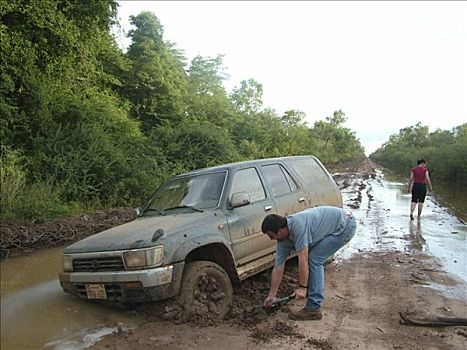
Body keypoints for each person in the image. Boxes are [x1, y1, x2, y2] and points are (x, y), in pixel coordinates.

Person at [261, 206, 357, 321]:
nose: (272, 239)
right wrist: (272, 295)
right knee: (313, 257)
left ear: (281, 230)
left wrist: (302, 287)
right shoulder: (282, 241)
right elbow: (278, 267)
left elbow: (303, 259)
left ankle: (313, 308)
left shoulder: (298, 226)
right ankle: (312, 293)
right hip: (336, 224)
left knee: (314, 259)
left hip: (345, 225)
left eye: (272, 235)